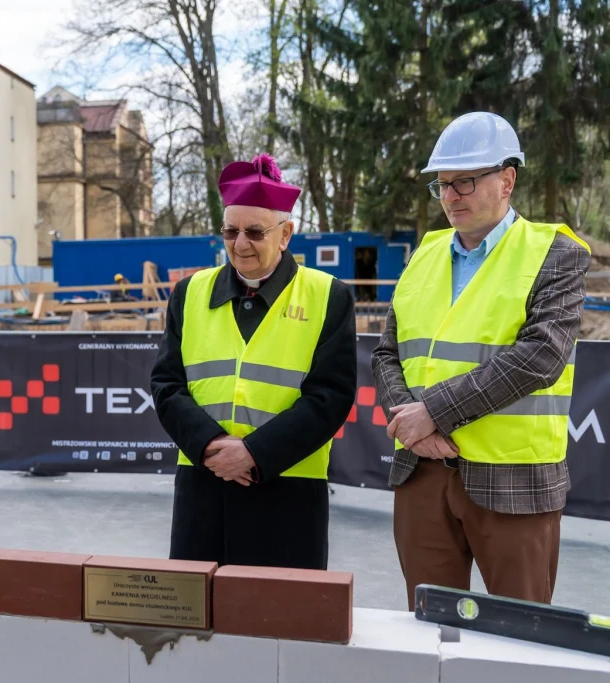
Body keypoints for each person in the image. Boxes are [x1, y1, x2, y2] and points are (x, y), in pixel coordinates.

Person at [373, 112, 590, 608]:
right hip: (421, 472)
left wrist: (432, 413)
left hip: (514, 481)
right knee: (431, 630)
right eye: (442, 184)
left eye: (465, 181)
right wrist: (412, 427)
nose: (451, 196)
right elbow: (387, 352)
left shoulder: (554, 252)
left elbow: (542, 355)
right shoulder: (424, 253)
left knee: (521, 635)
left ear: (507, 180)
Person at [151, 154, 356, 568]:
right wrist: (211, 446)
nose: (240, 244)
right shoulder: (189, 293)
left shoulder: (328, 295)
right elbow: (166, 385)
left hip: (288, 492)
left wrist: (255, 453)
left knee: (278, 604)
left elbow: (330, 396)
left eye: (255, 232)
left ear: (285, 235)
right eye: (230, 231)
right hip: (203, 486)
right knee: (199, 605)